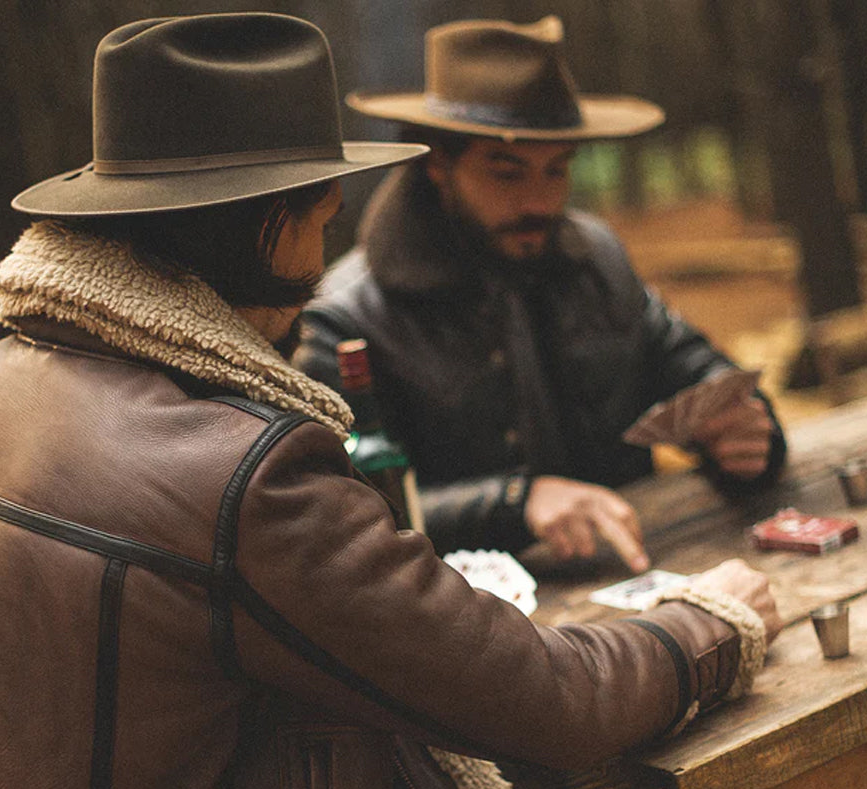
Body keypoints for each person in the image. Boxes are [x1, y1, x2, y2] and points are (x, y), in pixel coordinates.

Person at [0, 14, 783, 789]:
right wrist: (716, 625)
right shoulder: (243, 469)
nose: (322, 256)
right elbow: (544, 698)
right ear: (260, 223)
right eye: (319, 215)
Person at [295, 16, 787, 568]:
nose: (539, 203)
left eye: (555, 172)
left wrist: (745, 437)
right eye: (508, 174)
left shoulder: (595, 257)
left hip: (652, 570)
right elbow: (339, 519)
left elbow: (698, 370)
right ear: (439, 164)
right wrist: (514, 502)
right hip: (470, 621)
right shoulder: (347, 316)